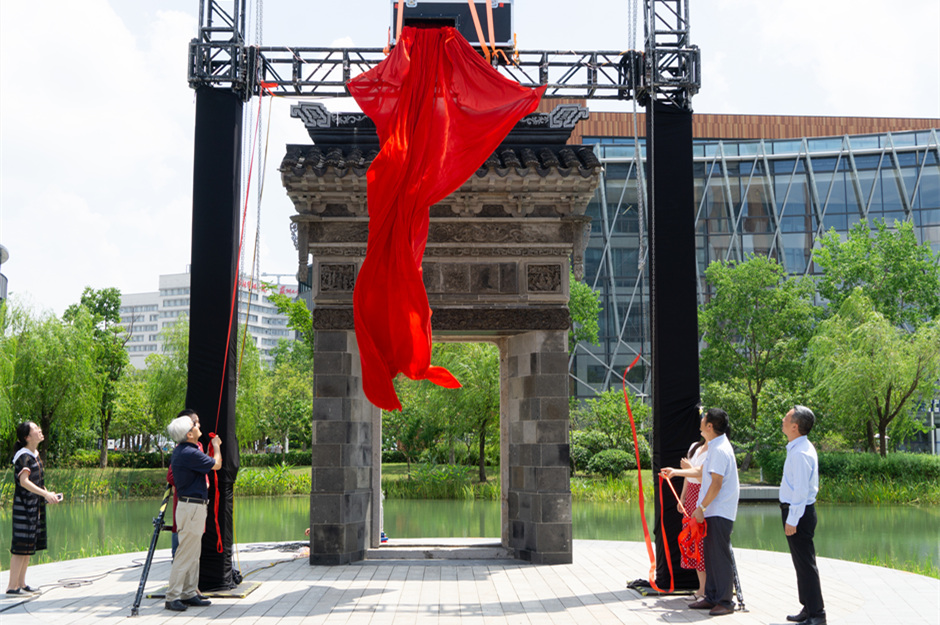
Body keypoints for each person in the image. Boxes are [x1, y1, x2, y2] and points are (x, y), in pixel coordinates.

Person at [164, 409, 222, 612]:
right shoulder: (188, 452)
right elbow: (217, 464)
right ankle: (173, 596)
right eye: (194, 425)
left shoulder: (187, 451)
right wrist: (216, 447)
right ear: (189, 434)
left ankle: (189, 592)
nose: (198, 427)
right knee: (184, 554)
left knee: (193, 553)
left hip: (194, 507)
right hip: (191, 508)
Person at [688, 408, 739, 617]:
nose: (700, 421)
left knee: (720, 556)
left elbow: (716, 484)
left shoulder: (719, 449)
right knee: (710, 555)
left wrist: (702, 507)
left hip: (719, 510)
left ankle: (725, 601)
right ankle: (711, 596)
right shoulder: (715, 446)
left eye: (703, 418)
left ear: (710, 426)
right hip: (713, 511)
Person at [780, 406, 826, 625]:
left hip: (798, 512)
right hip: (797, 511)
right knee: (801, 563)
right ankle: (808, 608)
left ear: (795, 426)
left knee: (806, 564)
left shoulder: (800, 452)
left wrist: (792, 519)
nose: (783, 420)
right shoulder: (797, 447)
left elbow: (800, 490)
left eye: (787, 418)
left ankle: (817, 614)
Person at [7, 422, 61, 595]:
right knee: (20, 548)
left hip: (33, 508)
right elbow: (24, 482)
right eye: (36, 429)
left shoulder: (35, 454)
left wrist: (48, 493)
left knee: (28, 547)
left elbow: (36, 482)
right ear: (27, 437)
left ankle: (21, 584)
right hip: (24, 508)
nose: (40, 430)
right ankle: (11, 587)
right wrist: (44, 495)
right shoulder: (24, 456)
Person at [661, 428, 709, 600]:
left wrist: (690, 468)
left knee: (702, 541)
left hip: (703, 493)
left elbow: (707, 478)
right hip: (691, 495)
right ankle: (701, 588)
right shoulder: (695, 447)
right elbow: (689, 477)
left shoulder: (715, 451)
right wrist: (682, 497)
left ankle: (705, 589)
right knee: (693, 541)